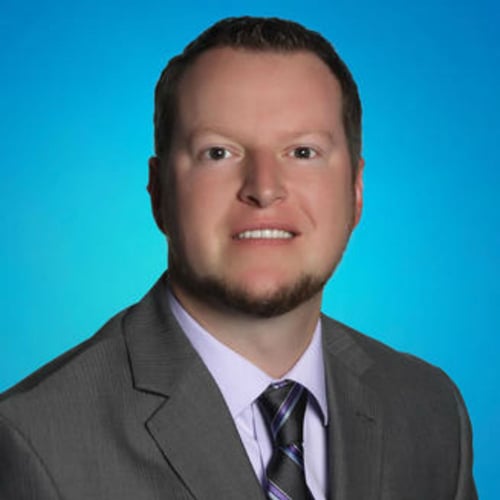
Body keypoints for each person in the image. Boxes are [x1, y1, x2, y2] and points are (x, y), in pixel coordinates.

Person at [0, 16, 477, 500]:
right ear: (159, 191)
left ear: (356, 190)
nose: (264, 188)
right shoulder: (33, 441)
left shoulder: (429, 410)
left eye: (303, 152)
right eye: (218, 153)